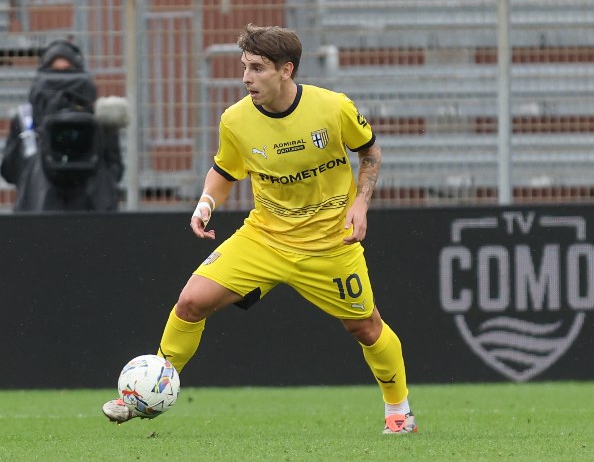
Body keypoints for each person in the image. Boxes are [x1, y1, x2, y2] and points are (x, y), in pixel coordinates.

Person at [102, 24, 417, 434]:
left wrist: (361, 202)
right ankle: (147, 393)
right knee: (190, 302)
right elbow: (224, 170)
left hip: (329, 245)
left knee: (365, 327)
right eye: (244, 67)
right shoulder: (236, 119)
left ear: (286, 70)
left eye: (257, 68)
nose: (246, 77)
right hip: (264, 238)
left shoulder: (332, 108)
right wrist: (206, 203)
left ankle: (399, 411)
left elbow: (369, 150)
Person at [0, 39, 124, 212]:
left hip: (90, 209)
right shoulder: (26, 119)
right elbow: (10, 170)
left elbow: (114, 168)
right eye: (55, 72)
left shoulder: (100, 118)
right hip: (40, 210)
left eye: (67, 72)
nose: (61, 81)